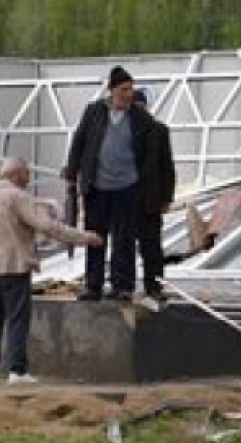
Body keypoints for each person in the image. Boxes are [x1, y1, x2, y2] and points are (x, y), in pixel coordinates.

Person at [0, 156, 101, 383]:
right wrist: (84, 238)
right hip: (12, 266)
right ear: (15, 175)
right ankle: (17, 371)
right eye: (26, 174)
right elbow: (48, 226)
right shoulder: (18, 197)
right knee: (16, 319)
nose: (28, 179)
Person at [62, 65, 154, 301]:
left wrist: (147, 180)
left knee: (124, 238)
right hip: (98, 186)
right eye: (124, 89)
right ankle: (93, 285)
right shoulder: (94, 112)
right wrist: (72, 172)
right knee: (94, 237)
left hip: (128, 186)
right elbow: (79, 142)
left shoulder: (139, 116)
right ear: (112, 90)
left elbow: (150, 149)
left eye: (131, 89)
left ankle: (122, 285)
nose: (128, 94)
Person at [131, 87, 176, 301]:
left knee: (151, 245)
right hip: (127, 198)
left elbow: (167, 167)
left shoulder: (158, 131)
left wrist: (167, 197)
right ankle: (126, 284)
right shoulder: (120, 130)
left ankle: (154, 284)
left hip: (149, 198)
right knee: (127, 245)